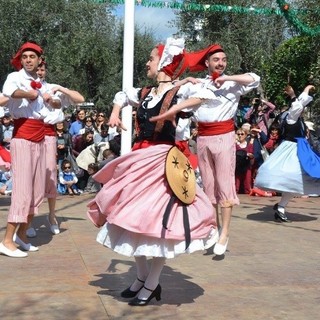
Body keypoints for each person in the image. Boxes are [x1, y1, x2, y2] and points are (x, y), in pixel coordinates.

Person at [86, 37, 218, 306]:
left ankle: (152, 283)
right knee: (129, 217)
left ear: (165, 63)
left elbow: (206, 94)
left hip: (162, 164)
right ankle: (141, 277)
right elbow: (122, 96)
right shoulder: (146, 93)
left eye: (151, 58)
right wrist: (114, 113)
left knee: (158, 224)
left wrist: (179, 101)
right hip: (138, 161)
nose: (147, 62)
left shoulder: (176, 93)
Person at [150, 43, 260, 255]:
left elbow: (254, 78)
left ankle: (225, 233)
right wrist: (185, 80)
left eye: (223, 60)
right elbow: (173, 90)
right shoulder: (199, 84)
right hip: (203, 138)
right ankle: (213, 229)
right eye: (216, 60)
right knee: (208, 187)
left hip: (225, 137)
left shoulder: (234, 84)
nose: (220, 63)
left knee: (225, 185)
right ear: (207, 63)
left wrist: (226, 78)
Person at [0, 42, 61, 258]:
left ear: (39, 61)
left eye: (32, 57)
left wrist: (51, 99)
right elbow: (9, 92)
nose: (28, 60)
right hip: (23, 136)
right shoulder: (15, 77)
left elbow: (56, 106)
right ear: (20, 59)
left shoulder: (41, 83)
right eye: (24, 56)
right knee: (23, 191)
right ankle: (7, 240)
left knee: (36, 191)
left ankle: (22, 235)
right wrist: (29, 93)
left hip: (40, 137)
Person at [26, 61, 85, 237]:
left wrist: (60, 88)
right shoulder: (24, 86)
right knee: (31, 176)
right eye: (37, 69)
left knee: (50, 175)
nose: (40, 72)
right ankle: (29, 218)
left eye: (43, 69)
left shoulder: (52, 88)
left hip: (49, 134)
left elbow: (79, 99)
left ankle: (52, 216)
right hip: (30, 131)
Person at [255, 84, 317, 222]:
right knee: (294, 179)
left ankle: (281, 206)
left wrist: (301, 94)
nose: (303, 108)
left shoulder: (298, 119)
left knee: (296, 181)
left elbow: (299, 105)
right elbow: (297, 106)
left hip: (299, 150)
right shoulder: (291, 117)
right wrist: (297, 94)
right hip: (291, 151)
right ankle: (281, 207)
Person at [235, 128, 254, 194]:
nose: (240, 135)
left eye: (242, 134)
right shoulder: (235, 145)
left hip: (246, 166)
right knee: (236, 186)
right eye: (238, 134)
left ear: (246, 135)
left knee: (247, 185)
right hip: (237, 167)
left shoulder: (249, 144)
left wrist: (250, 155)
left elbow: (251, 154)